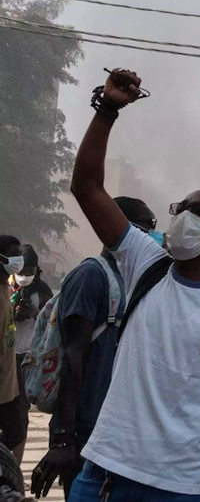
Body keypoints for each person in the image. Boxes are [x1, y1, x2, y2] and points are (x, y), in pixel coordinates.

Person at [64, 69, 200, 502]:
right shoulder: (144, 262)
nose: (183, 214)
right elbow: (86, 187)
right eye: (181, 206)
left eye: (199, 209)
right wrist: (107, 109)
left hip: (181, 487)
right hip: (103, 473)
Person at [30, 197, 157, 499]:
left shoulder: (130, 279)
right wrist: (63, 439)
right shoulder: (90, 276)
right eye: (147, 228)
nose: (153, 237)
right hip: (86, 432)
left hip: (118, 431)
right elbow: (72, 356)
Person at [12, 244, 52, 439]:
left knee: (20, 412)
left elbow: (52, 323)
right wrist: (13, 314)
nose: (26, 275)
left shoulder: (42, 292)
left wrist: (36, 314)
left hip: (28, 356)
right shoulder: (6, 287)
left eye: (30, 271)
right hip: (6, 354)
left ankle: (14, 464)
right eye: (22, 271)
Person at [0, 236, 27, 463]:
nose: (17, 259)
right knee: (15, 431)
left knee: (16, 432)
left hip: (8, 384)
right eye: (12, 254)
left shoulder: (6, 288)